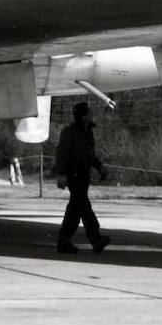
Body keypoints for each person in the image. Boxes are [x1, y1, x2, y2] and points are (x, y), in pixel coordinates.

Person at [53, 102, 110, 254]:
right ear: (84, 116)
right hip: (73, 175)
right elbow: (61, 154)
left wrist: (99, 166)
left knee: (75, 209)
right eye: (89, 113)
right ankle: (95, 239)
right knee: (84, 208)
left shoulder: (88, 133)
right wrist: (61, 173)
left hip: (84, 175)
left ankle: (64, 242)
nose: (92, 115)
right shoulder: (69, 132)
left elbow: (89, 155)